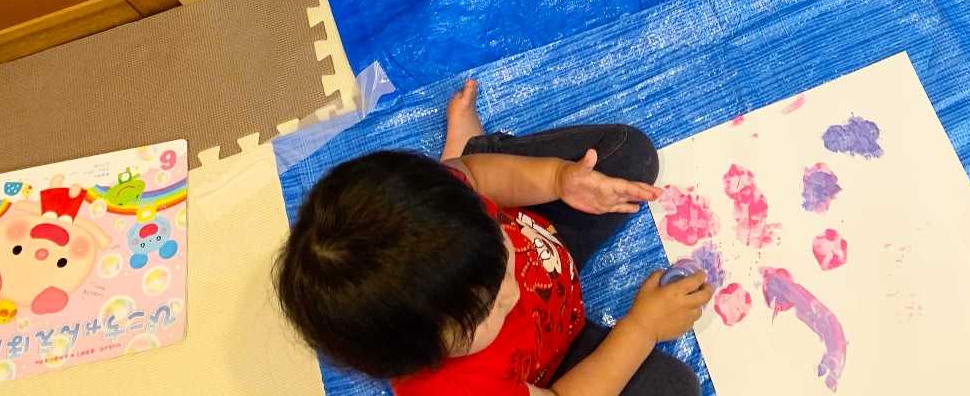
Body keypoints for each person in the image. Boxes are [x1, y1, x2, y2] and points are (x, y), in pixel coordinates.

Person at [277, 79, 710, 395]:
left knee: (629, 156)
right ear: (426, 355)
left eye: (502, 256)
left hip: (545, 239)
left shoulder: (447, 209)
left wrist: (559, 180)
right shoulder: (459, 389)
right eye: (489, 308)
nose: (513, 290)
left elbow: (475, 177)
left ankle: (470, 147)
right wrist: (641, 328)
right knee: (674, 389)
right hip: (554, 364)